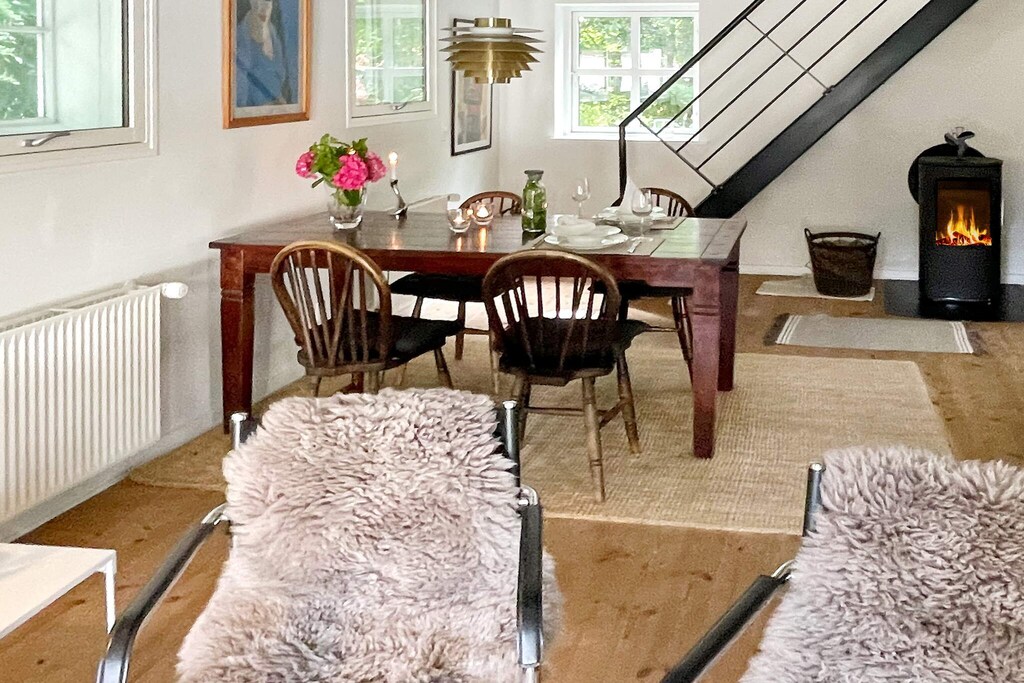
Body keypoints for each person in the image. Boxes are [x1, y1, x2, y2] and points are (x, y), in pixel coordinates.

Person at [235, 0, 292, 107]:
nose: (262, 7)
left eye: (267, 1)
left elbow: (281, 77)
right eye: (257, 1)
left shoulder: (273, 34)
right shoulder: (238, 39)